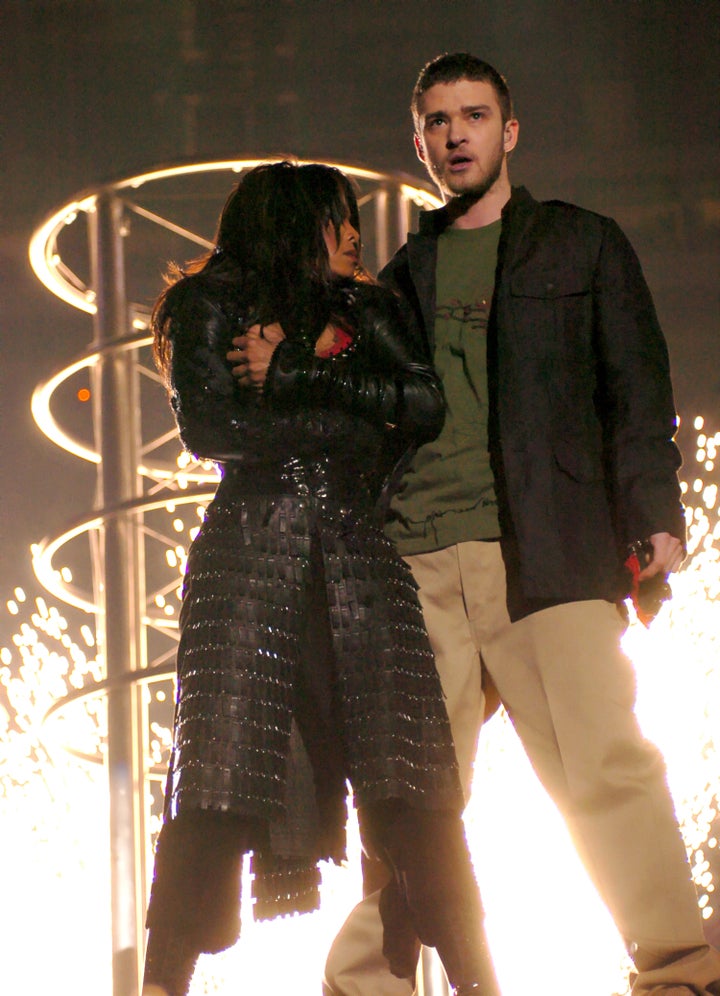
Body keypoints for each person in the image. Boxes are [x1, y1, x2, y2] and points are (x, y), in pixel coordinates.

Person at [320, 54, 720, 996]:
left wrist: (653, 516)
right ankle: (366, 982)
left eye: (475, 115)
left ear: (510, 130)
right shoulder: (402, 279)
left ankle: (681, 968)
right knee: (413, 799)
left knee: (604, 764)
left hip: (547, 548)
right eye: (438, 121)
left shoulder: (582, 244)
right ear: (416, 143)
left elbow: (637, 387)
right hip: (415, 557)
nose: (457, 133)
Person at [142, 160, 500, 996]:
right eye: (336, 221)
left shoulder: (367, 307)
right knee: (218, 782)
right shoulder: (212, 302)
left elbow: (421, 407)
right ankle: (159, 987)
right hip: (250, 561)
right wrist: (346, 423)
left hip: (358, 561)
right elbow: (212, 427)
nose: (353, 236)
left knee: (412, 788)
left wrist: (295, 377)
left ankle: (482, 983)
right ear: (289, 224)